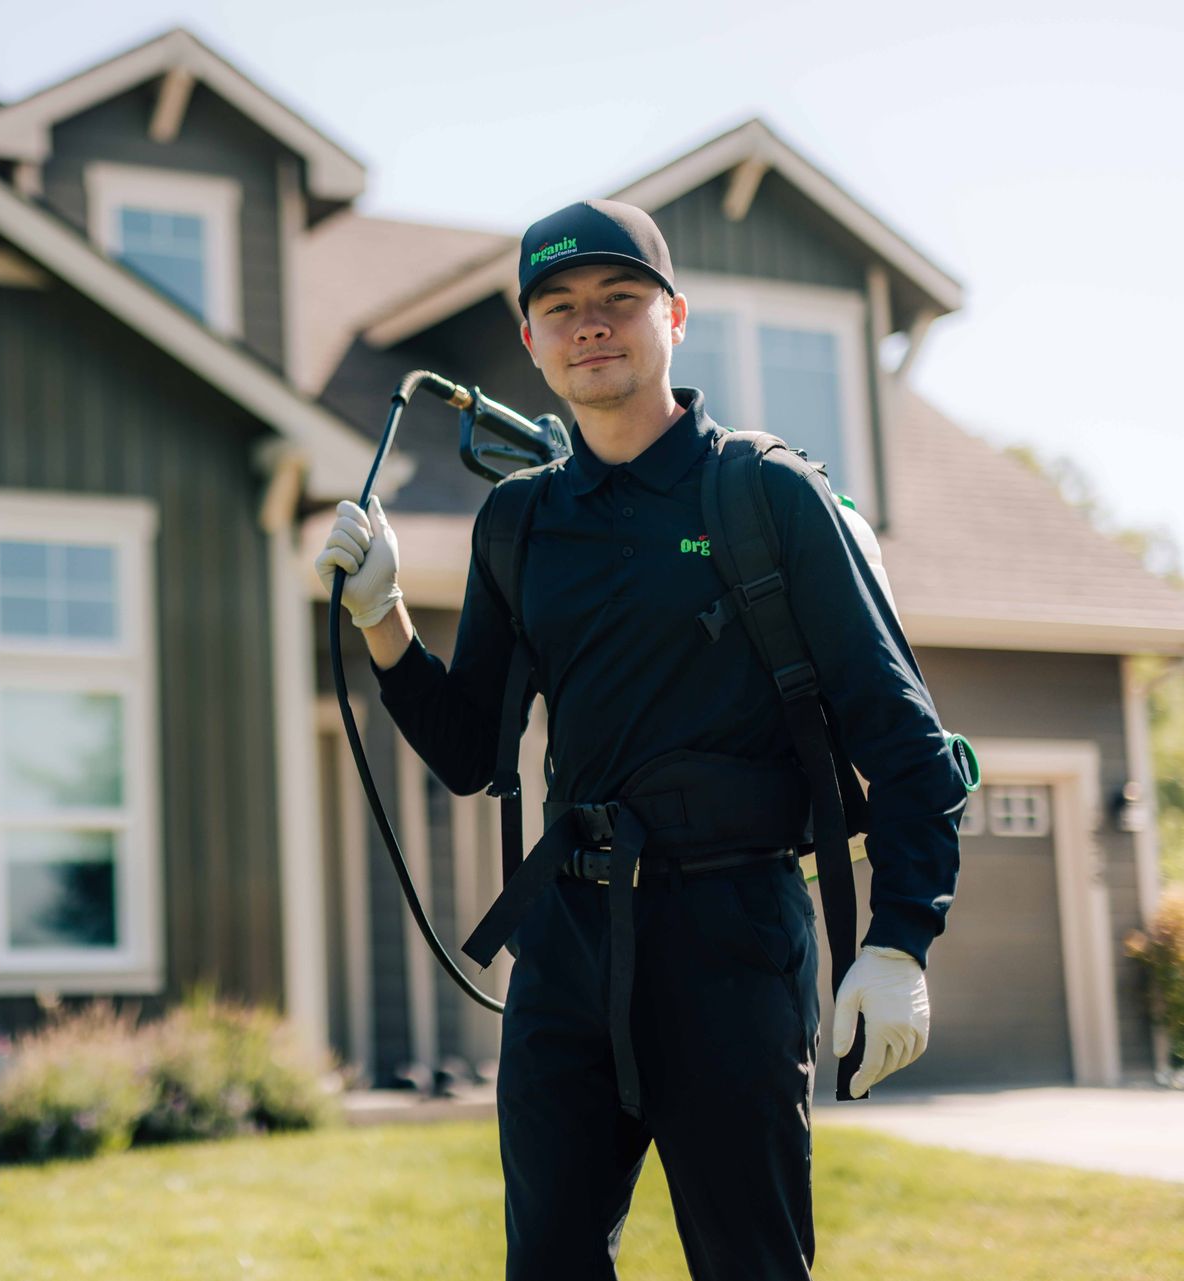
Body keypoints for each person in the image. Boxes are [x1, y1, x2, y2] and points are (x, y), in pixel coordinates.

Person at [314, 199, 964, 1280]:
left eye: (619, 299)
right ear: (530, 341)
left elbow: (902, 735)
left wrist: (900, 941)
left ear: (675, 316)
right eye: (560, 308)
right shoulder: (519, 522)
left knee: (749, 1264)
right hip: (567, 938)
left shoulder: (762, 493)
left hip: (733, 933)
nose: (591, 325)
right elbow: (476, 750)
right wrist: (385, 623)